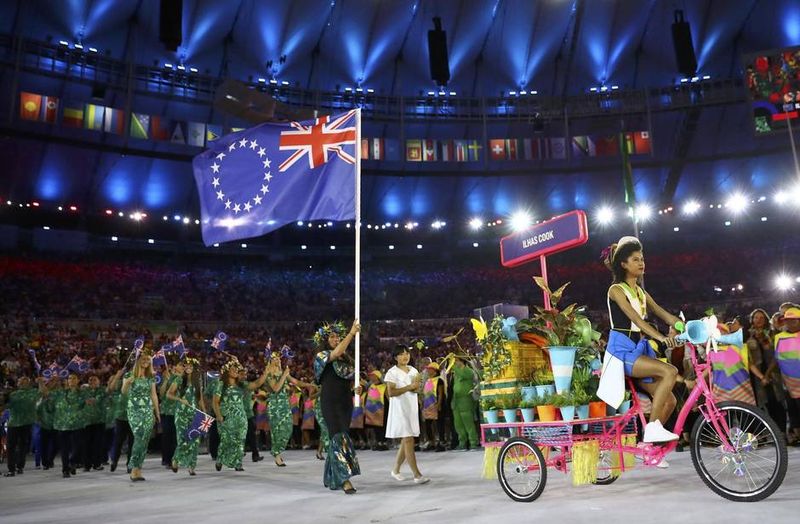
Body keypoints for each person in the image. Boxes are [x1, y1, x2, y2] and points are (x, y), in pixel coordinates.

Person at [602, 236, 684, 446]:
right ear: (623, 264)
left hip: (638, 351)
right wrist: (662, 338)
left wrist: (684, 326)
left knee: (671, 400)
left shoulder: (640, 291)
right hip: (621, 352)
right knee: (670, 372)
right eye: (636, 259)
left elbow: (665, 315)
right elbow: (636, 319)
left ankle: (648, 446)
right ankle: (653, 430)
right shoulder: (616, 290)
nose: (641, 263)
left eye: (642, 259)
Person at [313, 320, 361, 494]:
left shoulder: (347, 359)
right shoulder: (322, 356)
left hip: (345, 401)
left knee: (342, 435)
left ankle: (331, 476)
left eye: (337, 336)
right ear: (325, 340)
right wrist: (351, 333)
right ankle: (344, 479)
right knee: (338, 436)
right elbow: (337, 352)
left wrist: (355, 388)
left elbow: (346, 380)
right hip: (330, 402)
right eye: (332, 337)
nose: (335, 339)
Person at [212, 356, 269, 472]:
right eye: (233, 369)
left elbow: (257, 384)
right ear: (227, 372)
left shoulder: (241, 385)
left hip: (241, 418)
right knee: (226, 441)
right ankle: (220, 458)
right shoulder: (221, 384)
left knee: (240, 440)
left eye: (236, 370)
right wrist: (218, 416)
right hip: (226, 418)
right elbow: (215, 402)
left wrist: (266, 373)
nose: (235, 371)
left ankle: (238, 463)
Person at [385, 344, 430, 484]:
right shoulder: (392, 372)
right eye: (401, 354)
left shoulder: (413, 370)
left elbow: (416, 389)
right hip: (399, 410)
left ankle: (396, 470)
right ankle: (417, 474)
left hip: (411, 408)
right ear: (395, 357)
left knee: (406, 440)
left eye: (406, 353)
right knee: (408, 440)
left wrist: (418, 388)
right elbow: (391, 393)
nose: (405, 356)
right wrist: (408, 387)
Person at [265, 353, 315, 467]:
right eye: (274, 358)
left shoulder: (283, 373)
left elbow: (296, 382)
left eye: (278, 358)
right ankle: (277, 454)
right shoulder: (269, 374)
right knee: (276, 431)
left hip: (285, 405)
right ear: (270, 361)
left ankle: (277, 450)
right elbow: (276, 388)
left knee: (288, 428)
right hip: (274, 406)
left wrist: (309, 385)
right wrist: (284, 375)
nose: (277, 360)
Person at [121, 349, 161, 481]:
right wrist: (127, 383)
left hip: (148, 411)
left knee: (145, 440)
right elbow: (124, 393)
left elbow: (154, 395)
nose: (146, 362)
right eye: (143, 359)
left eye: (148, 360)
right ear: (138, 360)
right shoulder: (129, 375)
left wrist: (157, 412)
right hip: (134, 410)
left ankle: (138, 469)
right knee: (139, 437)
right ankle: (133, 467)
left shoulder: (151, 377)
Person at [167, 357, 206, 475]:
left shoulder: (197, 381)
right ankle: (176, 459)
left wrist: (204, 412)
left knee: (195, 440)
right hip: (181, 413)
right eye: (186, 366)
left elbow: (200, 399)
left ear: (194, 368)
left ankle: (191, 466)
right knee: (183, 439)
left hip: (194, 413)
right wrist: (180, 399)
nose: (188, 368)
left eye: (191, 366)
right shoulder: (179, 380)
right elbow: (169, 394)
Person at [5, 376, 43, 476]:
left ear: (29, 384)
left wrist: (41, 382)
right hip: (13, 423)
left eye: (25, 381)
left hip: (26, 423)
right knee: (11, 447)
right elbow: (5, 406)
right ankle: (11, 469)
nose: (22, 383)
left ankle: (20, 466)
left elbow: (42, 392)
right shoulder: (12, 394)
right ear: (17, 383)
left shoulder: (33, 392)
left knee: (23, 446)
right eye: (20, 381)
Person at [51, 373, 86, 478]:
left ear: (78, 380)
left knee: (78, 447)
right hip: (62, 425)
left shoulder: (83, 393)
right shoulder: (61, 393)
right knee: (64, 449)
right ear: (67, 381)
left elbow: (91, 400)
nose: (71, 380)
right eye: (69, 378)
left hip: (77, 424)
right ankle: (65, 469)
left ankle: (72, 462)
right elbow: (45, 393)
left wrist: (91, 401)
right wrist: (53, 382)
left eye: (74, 378)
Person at [774, 306, 800, 446]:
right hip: (788, 383)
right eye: (787, 320)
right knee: (792, 410)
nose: (790, 323)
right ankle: (796, 435)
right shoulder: (779, 337)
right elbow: (777, 359)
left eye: (794, 320)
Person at [450, 357, 479, 451]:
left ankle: (473, 443)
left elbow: (465, 375)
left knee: (468, 422)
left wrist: (453, 367)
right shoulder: (456, 373)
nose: (455, 363)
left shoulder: (469, 371)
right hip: (456, 400)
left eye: (456, 361)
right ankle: (462, 443)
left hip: (466, 400)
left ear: (462, 361)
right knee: (458, 424)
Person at [159, 361, 183, 469]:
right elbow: (161, 393)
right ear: (174, 366)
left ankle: (175, 458)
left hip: (179, 410)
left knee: (176, 436)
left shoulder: (184, 378)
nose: (182, 367)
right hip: (167, 410)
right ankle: (167, 459)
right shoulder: (170, 377)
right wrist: (166, 380)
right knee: (167, 435)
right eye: (180, 365)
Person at [81, 374, 107, 472]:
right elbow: (84, 400)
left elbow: (96, 399)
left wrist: (93, 400)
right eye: (90, 380)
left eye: (95, 380)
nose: (92, 381)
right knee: (86, 444)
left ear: (99, 382)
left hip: (99, 421)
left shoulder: (102, 390)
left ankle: (97, 464)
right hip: (86, 421)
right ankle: (86, 465)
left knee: (98, 443)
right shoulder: (84, 391)